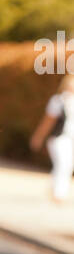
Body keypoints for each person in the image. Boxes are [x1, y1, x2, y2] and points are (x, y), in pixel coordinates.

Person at [31, 73, 74, 202]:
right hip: (58, 138)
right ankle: (58, 194)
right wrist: (38, 137)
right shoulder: (58, 101)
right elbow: (48, 121)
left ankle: (56, 190)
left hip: (70, 139)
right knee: (62, 164)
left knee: (68, 165)